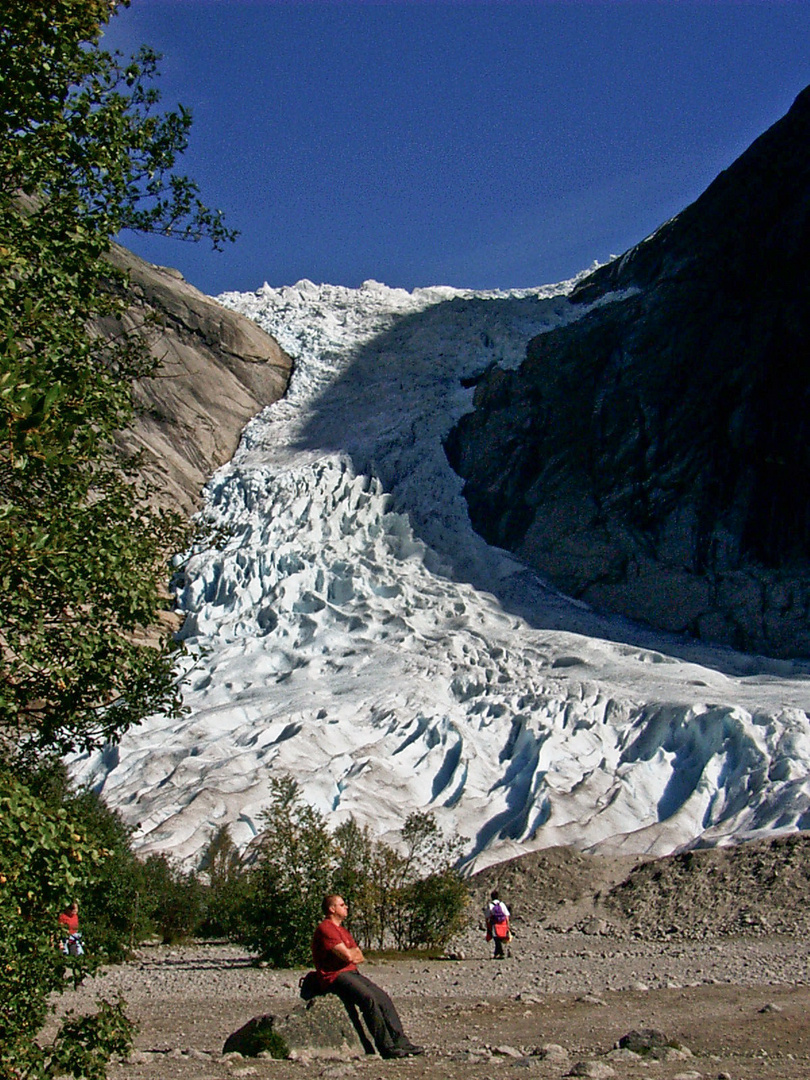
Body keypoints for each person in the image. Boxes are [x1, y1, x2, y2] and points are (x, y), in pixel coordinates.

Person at [311, 894, 424, 1059]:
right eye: (342, 905)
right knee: (368, 999)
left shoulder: (342, 930)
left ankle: (401, 1041)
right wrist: (350, 954)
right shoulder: (326, 928)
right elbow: (349, 956)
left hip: (351, 972)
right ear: (332, 909)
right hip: (334, 976)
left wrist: (351, 954)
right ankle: (386, 1047)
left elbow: (359, 956)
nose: (346, 907)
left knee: (383, 998)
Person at [485, 890, 511, 959]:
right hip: (503, 924)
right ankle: (497, 953)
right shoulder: (502, 904)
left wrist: (488, 927)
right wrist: (508, 926)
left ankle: (501, 953)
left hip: (495, 924)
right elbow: (507, 915)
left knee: (496, 939)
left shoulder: (490, 905)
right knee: (499, 938)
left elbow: (487, 917)